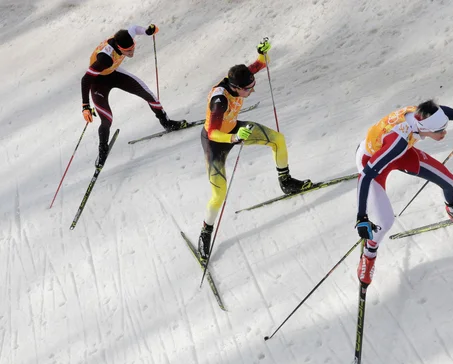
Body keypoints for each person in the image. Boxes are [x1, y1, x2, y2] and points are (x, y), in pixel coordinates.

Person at [354, 100, 453, 284]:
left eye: (444, 128)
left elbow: (442, 111)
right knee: (386, 221)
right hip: (372, 161)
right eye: (439, 131)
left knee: (450, 182)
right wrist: (361, 217)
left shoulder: (421, 115)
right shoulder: (397, 141)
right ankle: (369, 254)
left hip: (400, 153)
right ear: (423, 127)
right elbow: (365, 176)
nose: (444, 133)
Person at [197, 39, 312, 261]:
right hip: (216, 142)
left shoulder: (240, 78)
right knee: (219, 194)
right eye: (248, 89)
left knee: (278, 139)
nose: (252, 91)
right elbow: (212, 133)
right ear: (236, 87)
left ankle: (285, 182)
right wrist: (234, 137)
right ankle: (205, 232)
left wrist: (261, 54)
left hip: (235, 130)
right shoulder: (219, 101)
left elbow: (260, 64)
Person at [81, 24, 188, 168]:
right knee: (107, 119)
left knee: (148, 94)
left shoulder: (126, 36)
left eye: (133, 48)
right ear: (119, 48)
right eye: (128, 51)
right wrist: (85, 106)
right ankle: (102, 150)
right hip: (98, 81)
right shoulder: (105, 58)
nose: (132, 52)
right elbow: (86, 79)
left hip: (114, 73)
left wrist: (147, 31)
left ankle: (166, 122)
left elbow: (134, 28)